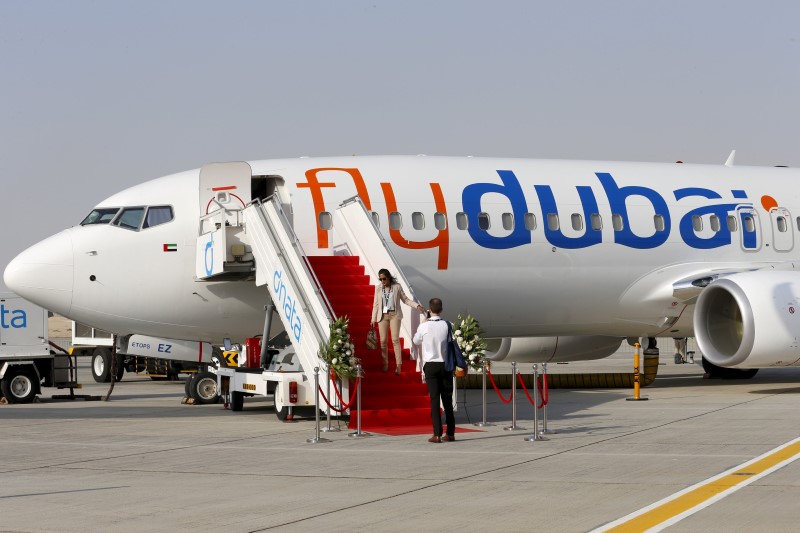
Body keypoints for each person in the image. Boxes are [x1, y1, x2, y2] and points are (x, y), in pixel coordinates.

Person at [412, 297, 455, 443]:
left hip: (431, 365)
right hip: (446, 364)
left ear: (430, 310)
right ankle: (450, 433)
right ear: (441, 310)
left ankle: (437, 434)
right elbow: (451, 342)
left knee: (435, 400)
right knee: (447, 400)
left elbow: (416, 341)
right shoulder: (448, 325)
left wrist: (423, 324)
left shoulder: (424, 326)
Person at [371, 268, 425, 375]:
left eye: (384, 279)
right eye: (380, 279)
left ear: (389, 277)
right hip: (382, 316)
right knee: (383, 341)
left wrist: (417, 305)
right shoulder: (378, 289)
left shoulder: (397, 287)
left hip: (394, 315)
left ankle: (398, 366)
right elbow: (375, 305)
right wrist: (373, 319)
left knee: (395, 339)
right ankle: (385, 364)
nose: (382, 281)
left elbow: (405, 300)